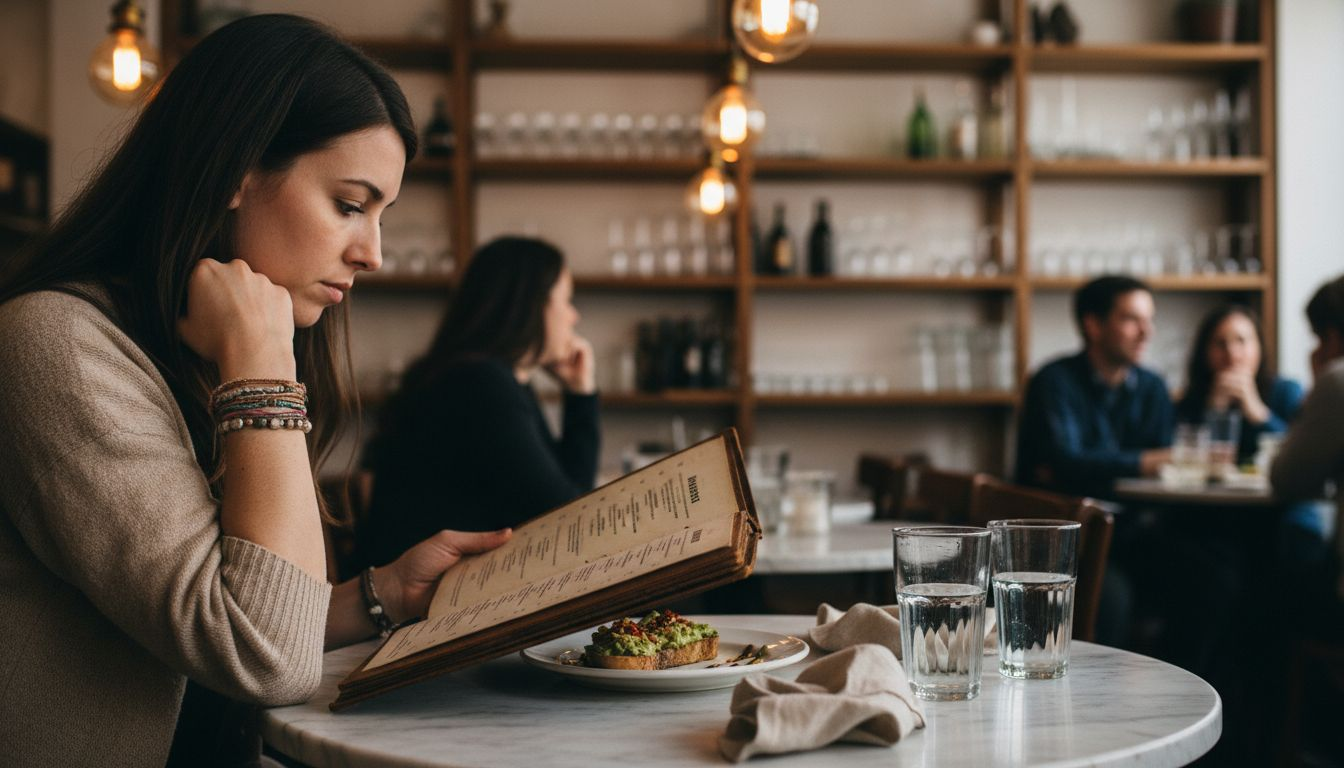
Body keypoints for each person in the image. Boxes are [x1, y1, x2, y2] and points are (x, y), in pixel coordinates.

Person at [0, 16, 510, 767]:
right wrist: (264, 372)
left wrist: (380, 596)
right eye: (349, 203)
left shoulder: (201, 348)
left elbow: (222, 613)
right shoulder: (57, 344)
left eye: (382, 214)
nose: (373, 253)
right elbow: (270, 658)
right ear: (237, 170)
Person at [357, 236, 599, 570]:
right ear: (532, 305)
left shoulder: (492, 377)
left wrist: (578, 392)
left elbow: (569, 496)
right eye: (567, 300)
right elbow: (567, 517)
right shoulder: (480, 385)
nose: (574, 317)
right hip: (422, 604)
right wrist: (583, 399)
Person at [1015, 275, 1175, 499]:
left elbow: (1168, 465)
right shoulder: (1053, 380)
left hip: (1139, 522)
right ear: (1093, 326)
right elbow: (1064, 463)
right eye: (1131, 320)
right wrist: (1142, 462)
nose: (1147, 332)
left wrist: (1092, 467)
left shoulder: (1153, 386)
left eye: (1149, 320)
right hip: (1064, 523)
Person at [1273, 274, 1344, 604]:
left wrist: (1319, 386)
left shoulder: (1337, 381)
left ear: (1330, 336)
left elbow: (1287, 480)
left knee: (1266, 576)